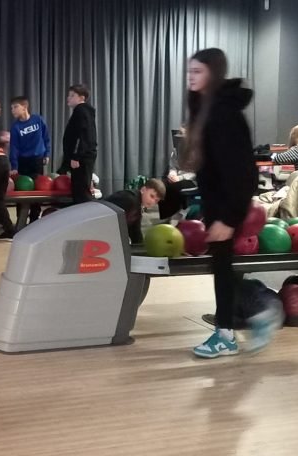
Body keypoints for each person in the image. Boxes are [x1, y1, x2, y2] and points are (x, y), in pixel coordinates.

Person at [180, 48, 278, 358]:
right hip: (216, 204)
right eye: (190, 70)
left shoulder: (224, 113)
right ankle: (241, 324)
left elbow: (243, 171)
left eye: (198, 71)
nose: (191, 76)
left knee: (222, 268)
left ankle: (252, 317)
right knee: (222, 267)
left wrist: (229, 217)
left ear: (214, 74)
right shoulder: (205, 107)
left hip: (227, 206)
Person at [8, 96, 51, 222]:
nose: (13, 110)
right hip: (23, 162)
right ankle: (20, 219)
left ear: (24, 107)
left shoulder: (38, 120)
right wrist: (14, 166)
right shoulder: (15, 127)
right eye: (11, 108)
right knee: (22, 190)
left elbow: (46, 138)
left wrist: (47, 154)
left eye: (15, 107)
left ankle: (34, 218)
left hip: (37, 160)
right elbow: (14, 148)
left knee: (37, 189)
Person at [57, 84, 98, 204]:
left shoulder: (81, 111)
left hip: (80, 158)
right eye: (68, 95)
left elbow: (83, 134)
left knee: (81, 193)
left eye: (72, 95)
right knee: (80, 190)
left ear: (82, 97)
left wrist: (76, 156)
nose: (68, 98)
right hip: (82, 156)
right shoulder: (83, 111)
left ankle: (88, 214)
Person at [104, 178, 167, 244]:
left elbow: (135, 231)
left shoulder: (137, 205)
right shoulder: (129, 199)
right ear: (143, 190)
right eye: (151, 196)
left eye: (156, 200)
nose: (152, 201)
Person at [163, 126, 196, 217]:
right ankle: (166, 216)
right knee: (163, 185)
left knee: (174, 187)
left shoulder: (197, 151)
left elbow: (197, 172)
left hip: (192, 179)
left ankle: (180, 213)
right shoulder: (176, 150)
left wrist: (180, 177)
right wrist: (172, 174)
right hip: (178, 176)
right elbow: (173, 166)